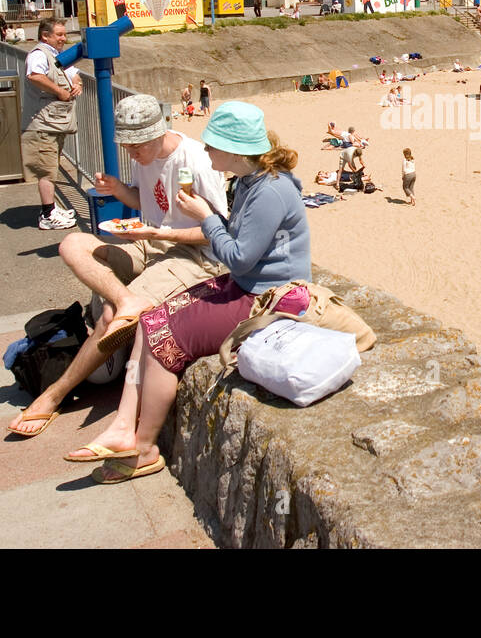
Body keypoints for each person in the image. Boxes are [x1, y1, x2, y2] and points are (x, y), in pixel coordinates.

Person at [63, 102, 310, 482]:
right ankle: (122, 426)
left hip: (270, 296)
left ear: (235, 150)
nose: (205, 150)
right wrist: (210, 221)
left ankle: (144, 449)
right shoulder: (249, 182)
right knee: (150, 320)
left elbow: (239, 257)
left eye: (212, 145)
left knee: (166, 338)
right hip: (249, 285)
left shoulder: (269, 192)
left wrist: (206, 218)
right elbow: (238, 242)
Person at [6, 94, 230, 438]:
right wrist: (118, 190)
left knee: (110, 316)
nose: (131, 153)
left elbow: (216, 232)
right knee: (73, 244)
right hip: (152, 244)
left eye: (136, 146)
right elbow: (146, 199)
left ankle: (54, 395)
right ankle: (127, 301)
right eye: (126, 145)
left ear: (159, 133)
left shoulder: (196, 161)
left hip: (193, 256)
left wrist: (159, 231)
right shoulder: (146, 154)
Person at [20, 19, 82, 229]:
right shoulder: (39, 54)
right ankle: (47, 214)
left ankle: (52, 208)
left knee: (51, 166)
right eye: (59, 35)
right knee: (47, 169)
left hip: (54, 122)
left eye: (64, 35)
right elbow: (35, 76)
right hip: (42, 124)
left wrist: (76, 83)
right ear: (45, 35)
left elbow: (74, 74)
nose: (63, 39)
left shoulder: (57, 55)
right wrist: (59, 91)